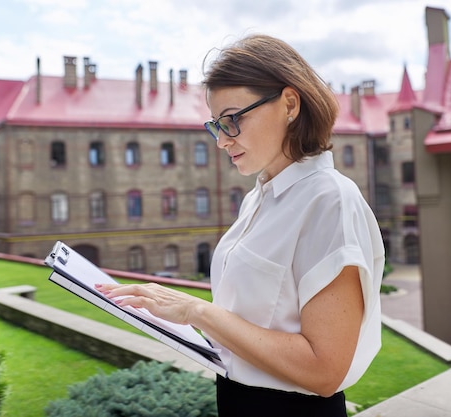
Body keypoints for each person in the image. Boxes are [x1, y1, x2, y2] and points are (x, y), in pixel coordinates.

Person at [96, 34, 385, 416]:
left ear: (289, 105)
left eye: (233, 119)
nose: (222, 141)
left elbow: (325, 369)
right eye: (217, 125)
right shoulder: (258, 198)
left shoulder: (329, 200)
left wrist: (197, 312)